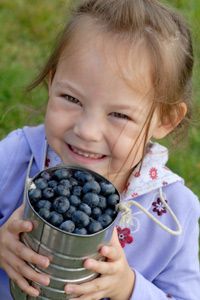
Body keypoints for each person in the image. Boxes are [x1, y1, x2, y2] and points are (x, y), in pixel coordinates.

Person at [0, 0, 199, 299]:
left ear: (166, 119)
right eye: (71, 98)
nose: (86, 131)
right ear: (52, 81)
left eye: (119, 115)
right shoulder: (17, 157)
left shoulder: (172, 213)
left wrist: (128, 287)